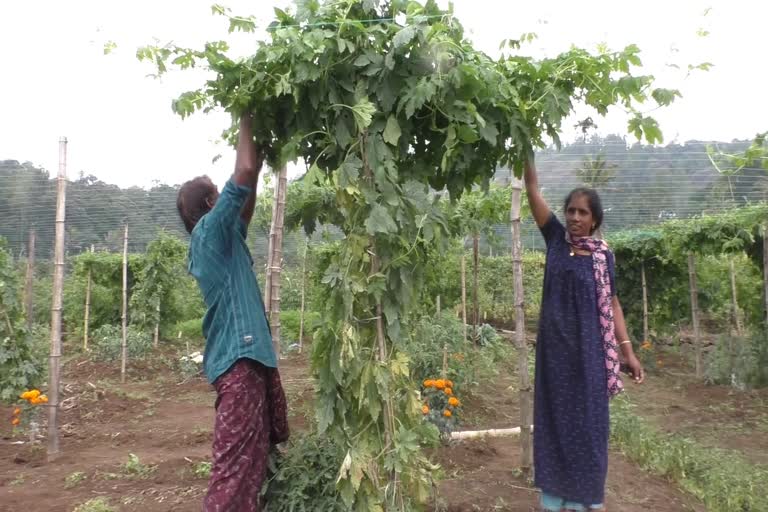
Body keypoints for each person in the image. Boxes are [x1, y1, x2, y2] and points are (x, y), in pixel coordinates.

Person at [177, 114, 289, 511]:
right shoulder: (209, 233)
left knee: (252, 464)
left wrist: (258, 161)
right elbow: (241, 172)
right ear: (210, 204)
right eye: (217, 193)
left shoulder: (221, 239)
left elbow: (247, 190)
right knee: (233, 471)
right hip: (239, 364)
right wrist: (247, 115)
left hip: (248, 359)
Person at [524, 154, 644, 512]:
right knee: (554, 422)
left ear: (595, 220)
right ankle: (553, 500)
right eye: (571, 211)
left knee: (590, 429)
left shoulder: (603, 257)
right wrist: (525, 145)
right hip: (555, 357)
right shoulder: (555, 240)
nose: (575, 217)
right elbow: (532, 188)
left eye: (583, 213)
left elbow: (614, 304)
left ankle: (587, 502)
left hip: (590, 356)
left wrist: (628, 351)